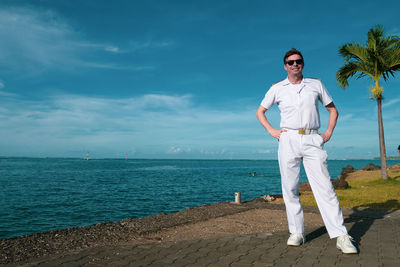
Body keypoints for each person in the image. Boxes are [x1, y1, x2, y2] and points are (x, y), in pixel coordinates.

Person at [256, 48, 357, 254]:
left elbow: (333, 109)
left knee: (325, 188)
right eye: (290, 62)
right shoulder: (277, 88)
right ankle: (297, 232)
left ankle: (341, 235)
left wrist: (327, 132)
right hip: (288, 139)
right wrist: (272, 131)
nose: (295, 64)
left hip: (312, 138)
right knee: (290, 187)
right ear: (285, 66)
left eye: (298, 61)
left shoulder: (316, 84)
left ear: (303, 63)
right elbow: (260, 111)